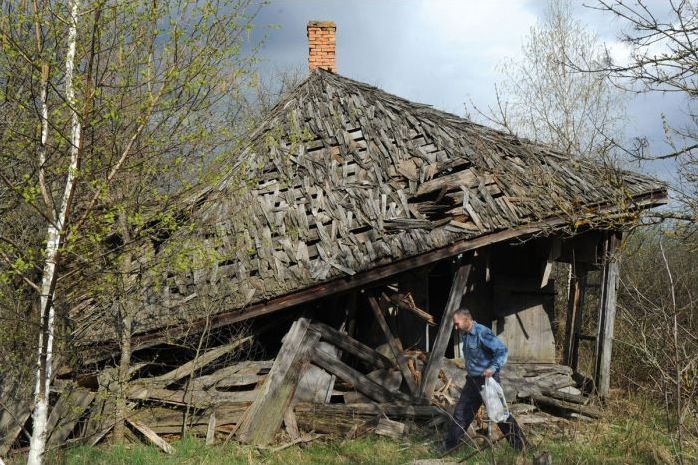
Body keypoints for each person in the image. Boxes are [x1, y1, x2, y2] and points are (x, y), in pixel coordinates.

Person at [441, 307, 528, 454]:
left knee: (500, 415)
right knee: (460, 414)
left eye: (457, 324)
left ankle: (522, 447)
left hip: (487, 381)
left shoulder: (482, 332)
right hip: (472, 382)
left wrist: (493, 367)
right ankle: (449, 449)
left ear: (467, 320)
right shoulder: (465, 334)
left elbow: (501, 350)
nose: (455, 327)